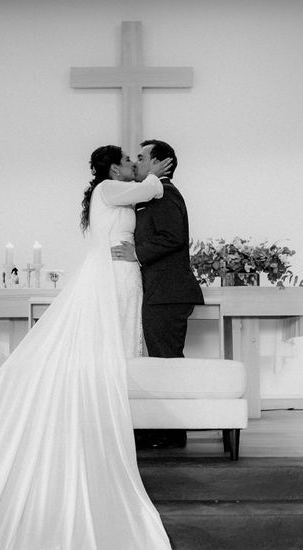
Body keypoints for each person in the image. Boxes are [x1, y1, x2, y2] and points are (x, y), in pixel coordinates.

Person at [0, 146, 174, 550]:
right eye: (126, 160)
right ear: (111, 166)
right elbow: (151, 190)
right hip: (113, 274)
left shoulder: (112, 190)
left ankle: (117, 410)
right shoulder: (107, 188)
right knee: (111, 340)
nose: (130, 166)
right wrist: (153, 173)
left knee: (123, 340)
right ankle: (106, 409)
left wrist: (145, 178)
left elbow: (144, 193)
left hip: (123, 271)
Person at [112, 139, 204, 449]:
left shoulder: (165, 194)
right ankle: (162, 426)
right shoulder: (154, 193)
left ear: (158, 163)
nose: (136, 162)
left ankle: (173, 431)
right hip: (161, 291)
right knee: (161, 360)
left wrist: (135, 252)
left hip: (168, 291)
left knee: (166, 362)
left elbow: (172, 237)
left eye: (141, 157)